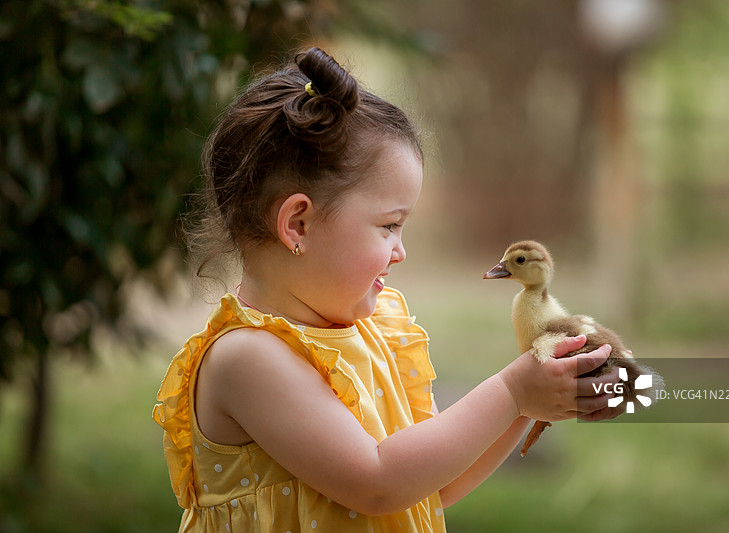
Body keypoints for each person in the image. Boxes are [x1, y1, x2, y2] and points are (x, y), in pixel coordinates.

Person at [153, 47, 621, 533]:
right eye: (389, 226)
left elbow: (432, 484)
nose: (401, 251)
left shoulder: (369, 334)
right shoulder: (247, 360)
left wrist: (526, 406)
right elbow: (378, 482)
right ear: (298, 224)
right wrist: (510, 391)